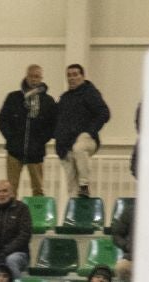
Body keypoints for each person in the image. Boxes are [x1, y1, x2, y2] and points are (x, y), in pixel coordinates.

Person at [0, 66, 56, 197]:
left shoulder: (48, 101)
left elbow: (52, 125)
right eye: (31, 76)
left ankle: (37, 211)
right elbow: (2, 120)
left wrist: (41, 140)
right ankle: (11, 211)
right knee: (11, 189)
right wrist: (11, 137)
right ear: (26, 76)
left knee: (38, 189)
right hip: (14, 151)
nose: (34, 79)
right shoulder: (13, 98)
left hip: (36, 152)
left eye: (37, 76)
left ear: (41, 78)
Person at [54, 64, 109, 199]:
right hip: (66, 146)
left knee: (79, 148)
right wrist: (58, 140)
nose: (72, 78)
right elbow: (57, 120)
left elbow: (104, 113)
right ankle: (77, 204)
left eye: (75, 75)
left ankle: (84, 184)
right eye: (69, 75)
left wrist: (90, 131)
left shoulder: (90, 93)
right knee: (72, 189)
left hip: (86, 138)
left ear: (83, 76)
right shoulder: (64, 98)